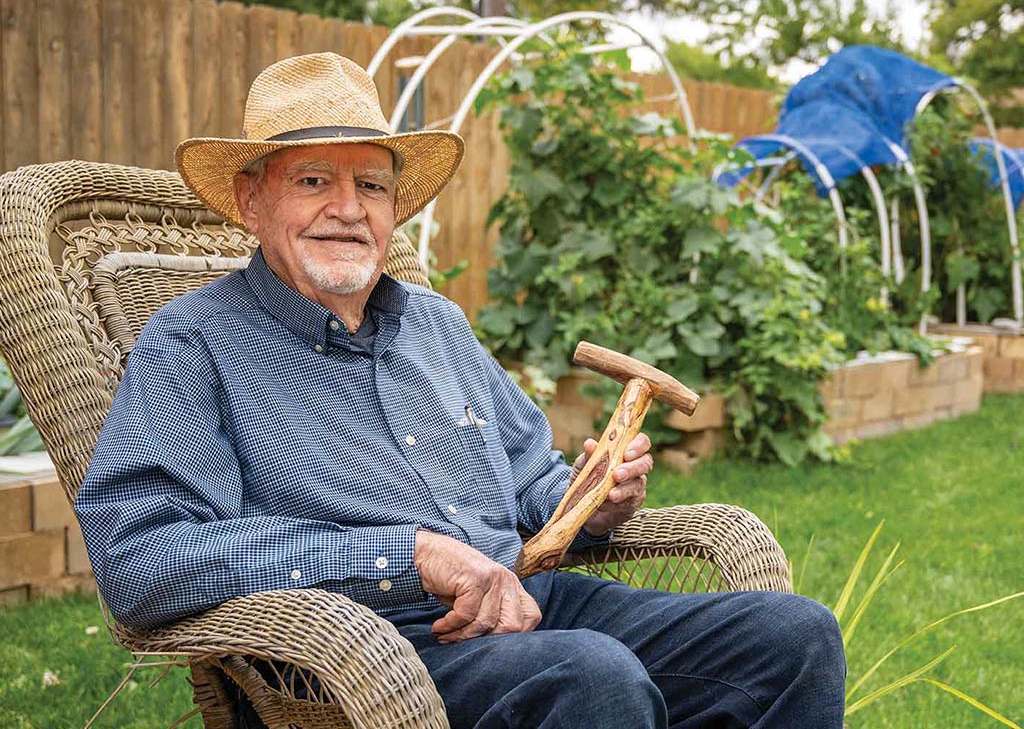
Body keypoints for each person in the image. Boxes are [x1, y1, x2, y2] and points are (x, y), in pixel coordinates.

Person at [76, 52, 846, 728]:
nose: (348, 209)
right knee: (591, 678)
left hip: (526, 607)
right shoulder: (193, 345)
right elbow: (143, 559)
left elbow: (530, 482)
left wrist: (589, 503)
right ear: (252, 202)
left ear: (393, 209)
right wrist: (407, 556)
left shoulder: (436, 325)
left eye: (371, 186)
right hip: (366, 649)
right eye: (314, 180)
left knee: (794, 640)